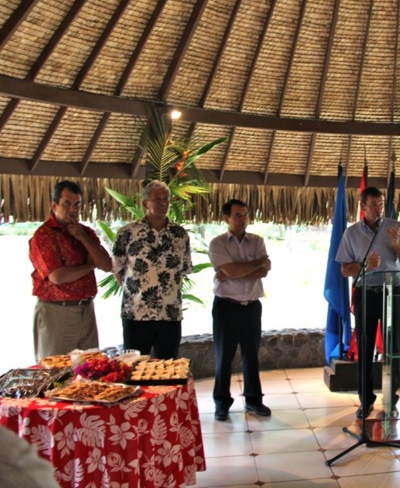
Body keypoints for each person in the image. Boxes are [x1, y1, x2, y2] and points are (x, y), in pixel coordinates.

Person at [336, 186, 400, 418]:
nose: (379, 209)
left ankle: (391, 399)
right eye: (373, 205)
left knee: (393, 348)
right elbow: (344, 270)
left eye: (381, 204)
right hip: (366, 292)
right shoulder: (351, 234)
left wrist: (397, 244)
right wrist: (364, 265)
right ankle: (365, 400)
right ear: (362, 207)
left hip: (393, 292)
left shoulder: (395, 227)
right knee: (366, 347)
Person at [29, 180, 112, 360]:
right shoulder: (44, 235)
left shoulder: (86, 233)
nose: (73, 209)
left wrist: (82, 237)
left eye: (77, 205)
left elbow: (107, 265)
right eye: (67, 204)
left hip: (86, 310)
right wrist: (90, 265)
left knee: (90, 371)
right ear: (54, 205)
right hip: (57, 312)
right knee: (57, 373)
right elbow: (58, 276)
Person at [112, 180, 192, 359]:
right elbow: (116, 268)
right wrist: (134, 290)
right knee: (136, 370)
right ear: (144, 203)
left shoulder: (180, 235)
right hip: (136, 314)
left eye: (166, 199)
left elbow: (184, 269)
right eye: (157, 199)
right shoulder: (127, 233)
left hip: (169, 315)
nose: (163, 203)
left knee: (169, 370)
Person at [208, 199, 272, 421]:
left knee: (251, 356)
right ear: (226, 218)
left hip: (252, 306)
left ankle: (254, 401)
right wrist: (256, 264)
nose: (243, 219)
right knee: (224, 356)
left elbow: (263, 272)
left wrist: (234, 272)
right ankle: (222, 403)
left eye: (245, 214)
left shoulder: (257, 241)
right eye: (238, 215)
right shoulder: (217, 244)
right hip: (226, 306)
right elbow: (243, 268)